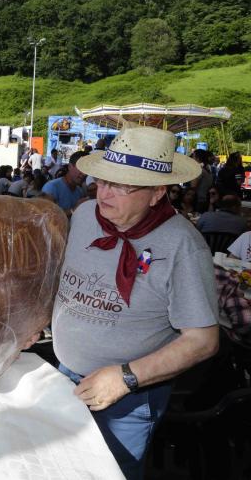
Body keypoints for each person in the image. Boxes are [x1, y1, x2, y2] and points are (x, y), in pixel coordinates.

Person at [51, 126, 218, 480]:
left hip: (126, 399)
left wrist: (126, 377)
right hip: (62, 378)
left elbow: (202, 340)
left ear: (158, 192)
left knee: (107, 473)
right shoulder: (83, 216)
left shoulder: (183, 246)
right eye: (104, 179)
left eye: (123, 185)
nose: (105, 192)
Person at [41, 150, 88, 216]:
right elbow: (45, 216)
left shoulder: (80, 191)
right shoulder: (51, 188)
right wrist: (73, 210)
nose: (84, 174)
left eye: (87, 170)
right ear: (70, 167)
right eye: (81, 168)